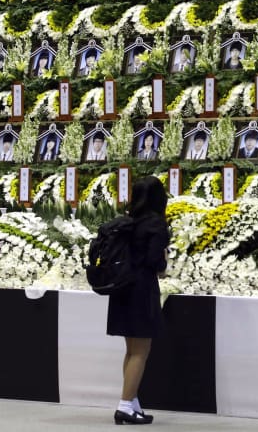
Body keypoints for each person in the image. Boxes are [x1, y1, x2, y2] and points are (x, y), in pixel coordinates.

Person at [107, 176, 170, 426]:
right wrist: (164, 258)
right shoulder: (155, 224)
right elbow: (158, 266)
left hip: (122, 288)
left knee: (132, 350)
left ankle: (132, 403)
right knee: (141, 352)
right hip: (142, 290)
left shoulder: (128, 220)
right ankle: (124, 405)